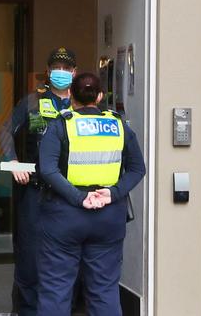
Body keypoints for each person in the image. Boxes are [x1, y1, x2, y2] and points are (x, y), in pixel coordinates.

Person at [36, 72, 145, 316]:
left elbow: (47, 170)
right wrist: (112, 194)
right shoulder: (119, 126)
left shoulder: (61, 124)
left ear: (71, 96)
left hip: (65, 217)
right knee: (104, 290)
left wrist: (79, 197)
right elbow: (138, 168)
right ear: (99, 96)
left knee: (56, 288)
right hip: (108, 217)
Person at [0, 47, 75, 315]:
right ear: (48, 70)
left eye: (66, 69)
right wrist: (13, 162)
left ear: (74, 73)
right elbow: (5, 130)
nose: (61, 73)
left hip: (70, 194)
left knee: (65, 257)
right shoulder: (33, 102)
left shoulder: (80, 105)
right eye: (57, 68)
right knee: (30, 256)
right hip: (35, 190)